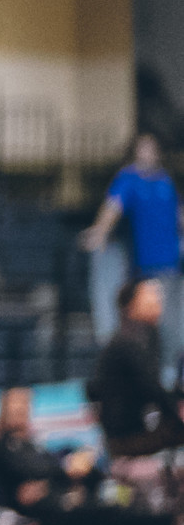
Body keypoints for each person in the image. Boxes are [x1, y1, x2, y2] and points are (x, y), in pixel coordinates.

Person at [82, 133, 182, 384]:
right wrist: (99, 231)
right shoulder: (129, 178)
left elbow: (178, 212)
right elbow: (113, 206)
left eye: (151, 148)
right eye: (142, 148)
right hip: (143, 266)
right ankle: (142, 374)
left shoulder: (164, 180)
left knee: (171, 321)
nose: (147, 153)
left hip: (170, 263)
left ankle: (170, 373)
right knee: (141, 323)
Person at [88, 277, 184, 459]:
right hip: (127, 435)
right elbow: (150, 388)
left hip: (140, 425)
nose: (158, 300)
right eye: (150, 295)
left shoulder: (147, 335)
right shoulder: (129, 340)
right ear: (131, 305)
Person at [0, 386, 97, 519]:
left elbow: (49, 466)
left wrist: (46, 484)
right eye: (14, 403)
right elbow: (32, 470)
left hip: (60, 501)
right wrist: (66, 470)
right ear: (4, 408)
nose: (20, 408)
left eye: (24, 402)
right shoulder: (4, 446)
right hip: (28, 517)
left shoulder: (35, 446)